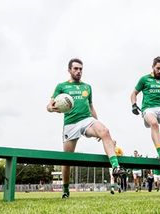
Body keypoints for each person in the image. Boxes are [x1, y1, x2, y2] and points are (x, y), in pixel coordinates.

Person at [47, 58, 126, 198]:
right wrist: (53, 109)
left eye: (80, 69)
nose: (78, 71)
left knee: (105, 131)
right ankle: (65, 190)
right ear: (69, 70)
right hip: (70, 124)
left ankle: (116, 167)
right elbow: (49, 106)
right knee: (67, 161)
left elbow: (91, 107)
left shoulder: (87, 87)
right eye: (75, 69)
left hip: (87, 120)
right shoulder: (61, 86)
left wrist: (98, 126)